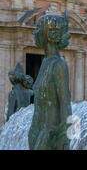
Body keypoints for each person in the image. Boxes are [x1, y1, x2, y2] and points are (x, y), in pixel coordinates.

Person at [28, 14, 72, 150]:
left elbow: (65, 103)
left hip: (49, 134)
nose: (35, 33)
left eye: (38, 28)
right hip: (37, 130)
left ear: (49, 35)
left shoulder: (59, 64)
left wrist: (68, 137)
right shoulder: (45, 62)